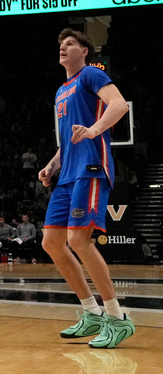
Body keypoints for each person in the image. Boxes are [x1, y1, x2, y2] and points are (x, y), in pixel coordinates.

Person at [38, 28, 135, 348]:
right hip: (68, 173)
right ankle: (91, 312)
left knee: (78, 239)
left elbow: (119, 106)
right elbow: (68, 138)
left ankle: (117, 316)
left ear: (84, 51)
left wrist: (94, 130)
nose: (62, 48)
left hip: (92, 169)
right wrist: (53, 163)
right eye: (60, 44)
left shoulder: (91, 75)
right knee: (52, 242)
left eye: (70, 44)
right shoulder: (61, 91)